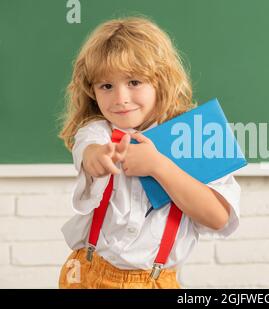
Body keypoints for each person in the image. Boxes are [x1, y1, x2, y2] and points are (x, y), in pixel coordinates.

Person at [57, 16, 240, 289]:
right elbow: (89, 150)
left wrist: (159, 166)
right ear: (92, 91)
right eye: (106, 86)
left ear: (161, 81)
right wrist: (96, 157)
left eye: (134, 82)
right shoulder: (98, 132)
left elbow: (218, 218)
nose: (120, 98)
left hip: (154, 282)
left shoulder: (196, 139)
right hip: (86, 275)